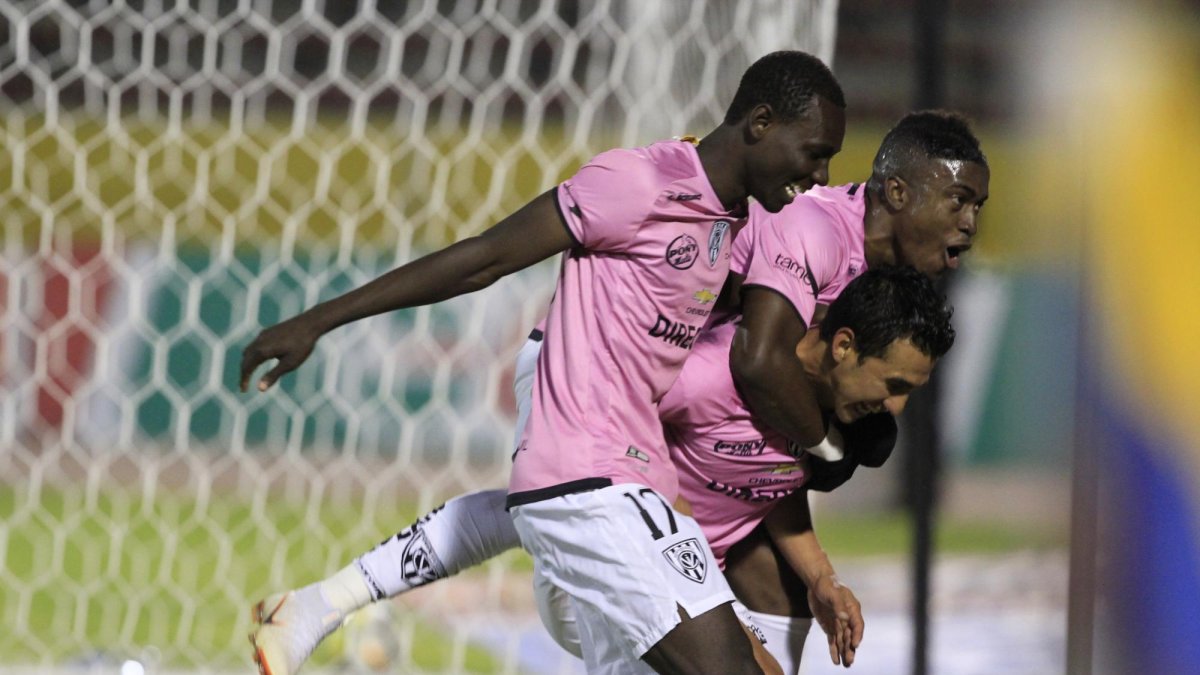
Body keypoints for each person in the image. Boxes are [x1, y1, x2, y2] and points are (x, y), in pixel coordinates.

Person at [246, 110, 988, 673]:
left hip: (665, 403)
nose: (971, 222)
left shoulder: (876, 289)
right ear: (898, 191)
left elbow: (771, 439)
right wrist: (828, 446)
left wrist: (819, 553)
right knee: (562, 501)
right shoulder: (812, 234)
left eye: (978, 207)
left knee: (565, 510)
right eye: (959, 200)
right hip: (596, 361)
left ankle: (324, 604)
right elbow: (760, 361)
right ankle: (327, 603)